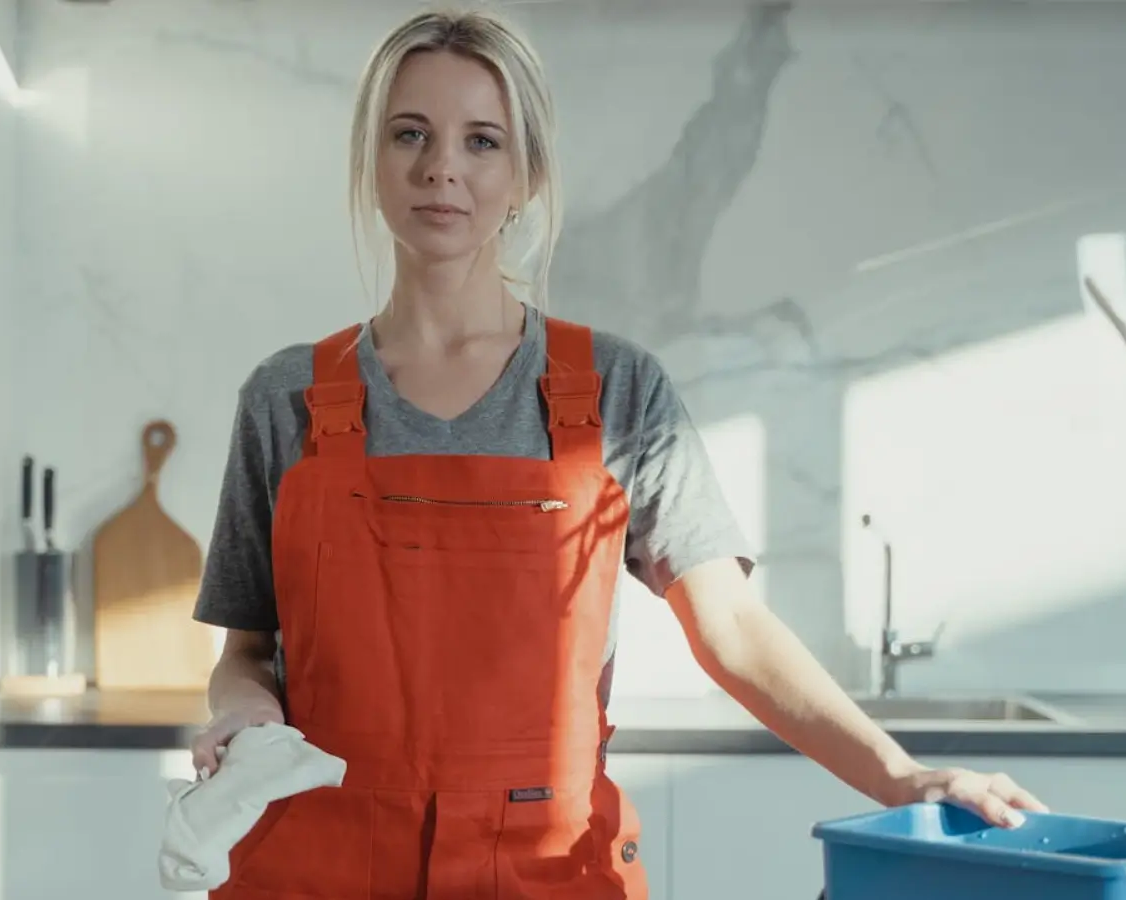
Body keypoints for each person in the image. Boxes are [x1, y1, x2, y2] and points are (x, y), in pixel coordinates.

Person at [188, 7, 1047, 898]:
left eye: (483, 140)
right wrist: (246, 713)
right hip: (320, 869)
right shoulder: (286, 401)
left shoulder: (615, 392)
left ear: (526, 175)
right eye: (411, 133)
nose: (442, 166)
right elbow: (246, 651)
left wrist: (901, 779)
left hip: (547, 872)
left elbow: (734, 630)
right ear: (371, 161)